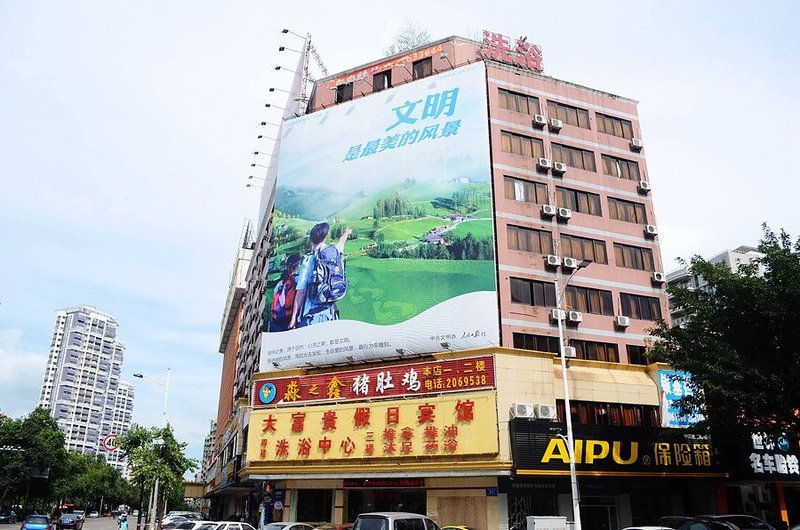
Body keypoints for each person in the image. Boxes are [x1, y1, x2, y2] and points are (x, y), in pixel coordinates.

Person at [289, 222, 351, 329]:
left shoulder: (308, 260)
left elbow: (300, 292)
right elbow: (341, 242)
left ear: (311, 239)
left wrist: (293, 318)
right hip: (330, 312)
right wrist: (347, 233)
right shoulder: (334, 251)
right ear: (326, 236)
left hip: (312, 314)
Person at [269, 253, 302, 332]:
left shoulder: (280, 283)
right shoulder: (299, 279)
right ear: (298, 265)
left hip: (277, 319)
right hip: (290, 318)